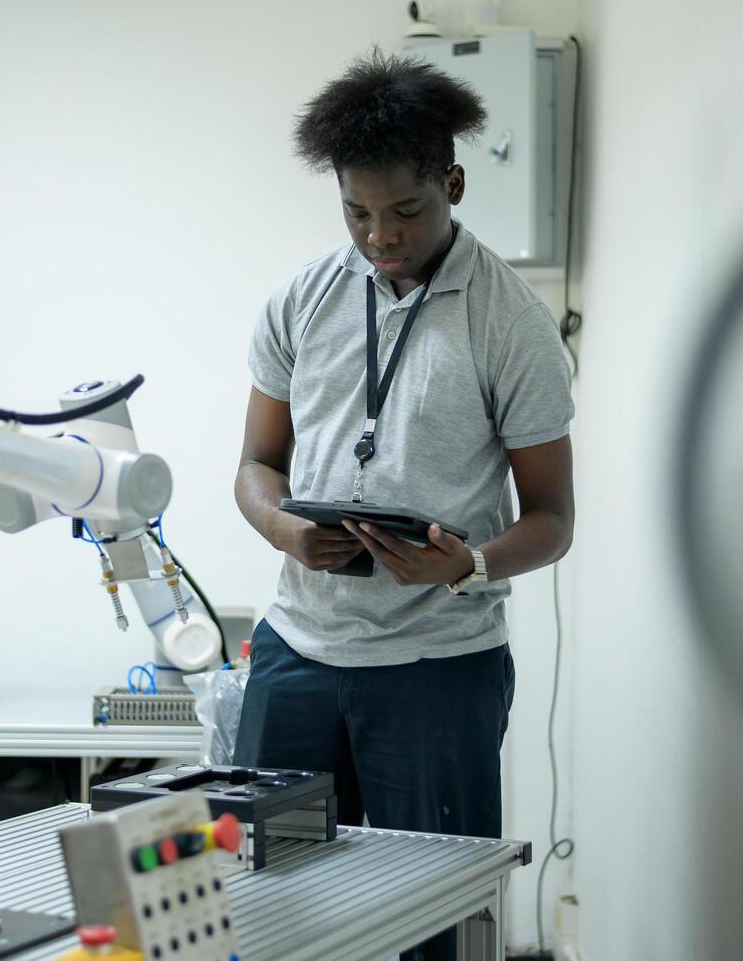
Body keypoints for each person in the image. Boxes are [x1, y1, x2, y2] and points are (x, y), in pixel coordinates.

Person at [232, 49, 575, 958]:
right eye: (357, 213)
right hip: (296, 653)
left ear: (453, 182)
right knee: (272, 910)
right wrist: (282, 529)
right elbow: (255, 467)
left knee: (439, 921)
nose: (380, 236)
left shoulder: (513, 323)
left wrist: (467, 564)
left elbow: (552, 519)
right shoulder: (298, 300)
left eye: (405, 211)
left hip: (437, 667)